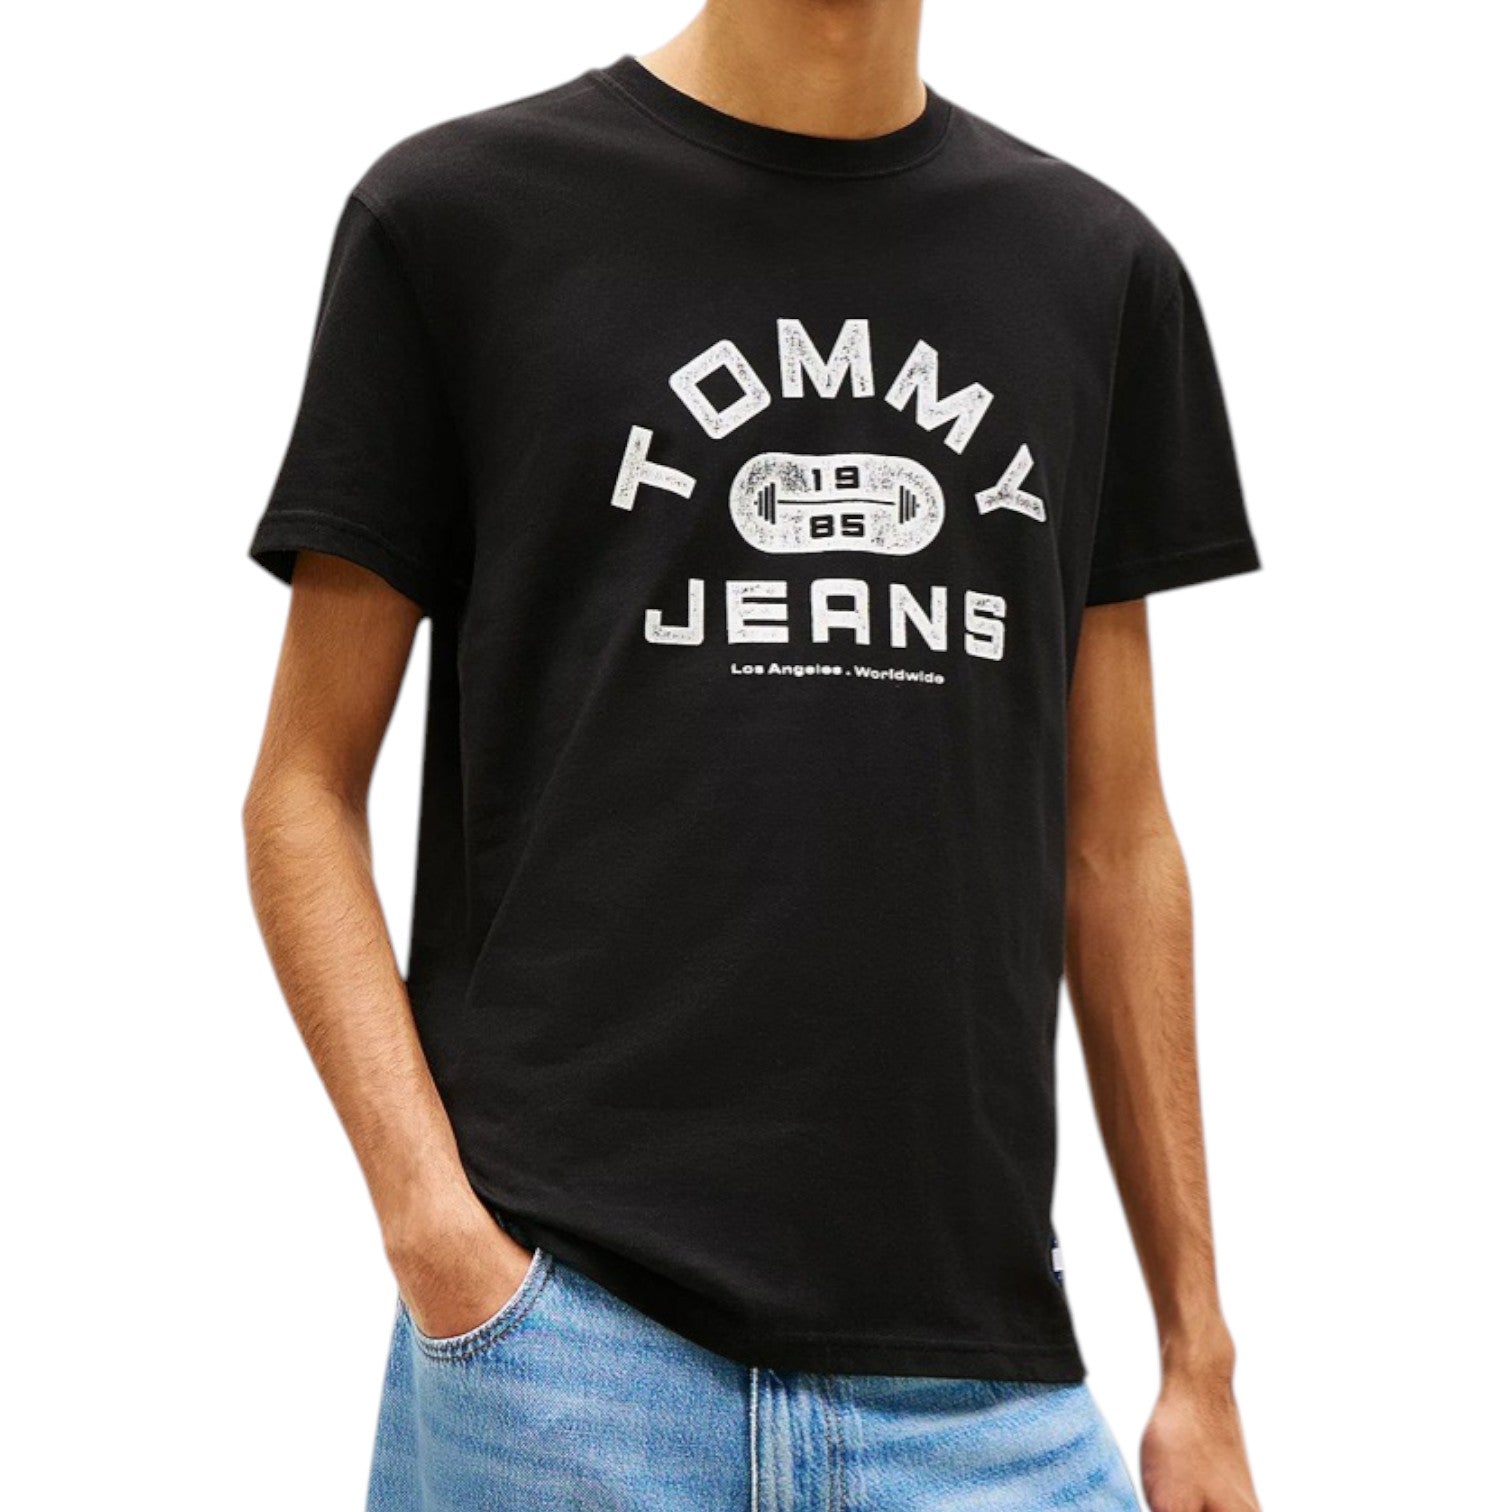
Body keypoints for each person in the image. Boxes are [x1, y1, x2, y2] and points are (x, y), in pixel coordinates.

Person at [242, 2, 1264, 1507]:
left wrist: (1199, 1357)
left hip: (982, 1390)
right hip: (570, 1352)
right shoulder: (459, 221)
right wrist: (439, 1241)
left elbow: (1115, 841)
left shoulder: (1095, 273)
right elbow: (302, 788)